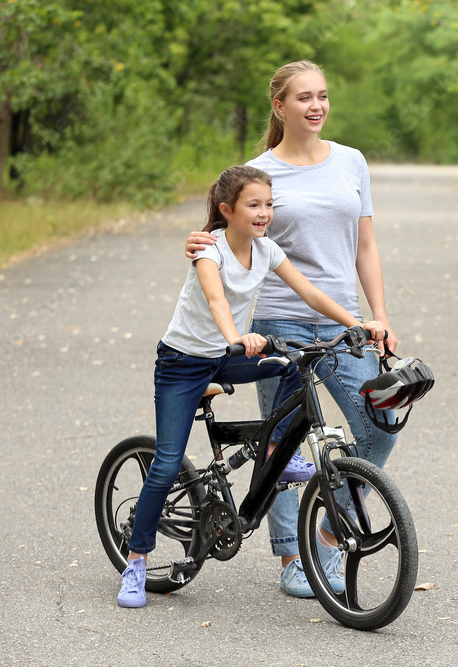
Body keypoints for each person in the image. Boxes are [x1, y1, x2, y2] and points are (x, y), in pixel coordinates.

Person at [118, 165, 385, 608]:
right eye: (254, 205)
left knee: (287, 366)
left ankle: (274, 451)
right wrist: (235, 338)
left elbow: (312, 293)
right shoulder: (211, 251)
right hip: (183, 365)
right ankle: (136, 561)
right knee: (166, 465)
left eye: (268, 205)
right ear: (228, 210)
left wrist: (359, 324)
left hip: (224, 359)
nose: (264, 213)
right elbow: (217, 300)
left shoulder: (265, 250)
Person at [184, 60, 399, 599]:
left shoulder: (352, 162)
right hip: (279, 318)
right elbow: (221, 231)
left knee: (382, 419)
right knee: (282, 442)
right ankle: (292, 559)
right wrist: (197, 244)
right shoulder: (259, 170)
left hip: (342, 318)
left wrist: (379, 315)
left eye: (322, 95)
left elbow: (365, 245)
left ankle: (328, 526)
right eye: (303, 97)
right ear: (280, 106)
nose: (316, 106)